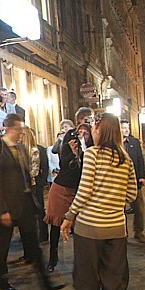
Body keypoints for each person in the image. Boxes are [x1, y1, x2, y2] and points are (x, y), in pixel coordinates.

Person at [60, 112, 137, 290]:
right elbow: (132, 194)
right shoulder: (126, 159)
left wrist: (69, 216)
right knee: (114, 280)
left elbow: (84, 192)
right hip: (116, 229)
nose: (93, 129)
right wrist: (113, 199)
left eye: (95, 126)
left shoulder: (93, 154)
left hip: (89, 228)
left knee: (85, 277)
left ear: (102, 131)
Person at [0, 114, 65, 290]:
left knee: (33, 243)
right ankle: (2, 280)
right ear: (9, 129)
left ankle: (45, 280)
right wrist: (2, 210)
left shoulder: (21, 148)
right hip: (8, 206)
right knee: (3, 246)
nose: (22, 132)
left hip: (25, 204)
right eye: (18, 129)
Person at [44, 109, 94, 273]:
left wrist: (85, 148)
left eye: (87, 120)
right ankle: (52, 259)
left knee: (81, 227)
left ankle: (83, 260)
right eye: (81, 120)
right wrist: (74, 153)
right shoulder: (70, 137)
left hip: (80, 190)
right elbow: (64, 164)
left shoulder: (93, 140)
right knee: (56, 226)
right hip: (61, 189)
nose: (82, 129)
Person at [121, 121, 145, 244]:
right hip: (120, 182)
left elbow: (140, 160)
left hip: (134, 181)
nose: (126, 130)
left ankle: (139, 232)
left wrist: (141, 176)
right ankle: (123, 233)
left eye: (127, 127)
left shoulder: (134, 142)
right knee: (121, 209)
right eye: (123, 128)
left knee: (138, 207)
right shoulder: (115, 144)